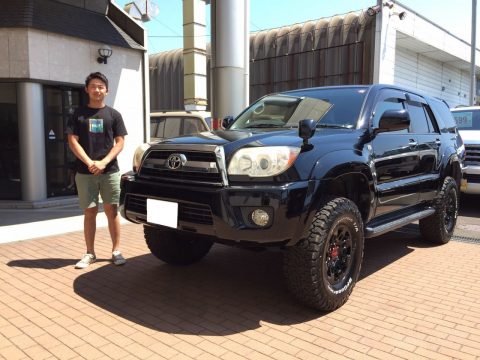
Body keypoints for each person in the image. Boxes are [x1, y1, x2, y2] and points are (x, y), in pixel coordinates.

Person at [66, 72, 128, 269]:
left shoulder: (114, 115)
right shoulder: (77, 114)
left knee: (112, 210)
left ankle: (116, 250)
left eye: (101, 86)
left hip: (109, 171)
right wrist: (89, 162)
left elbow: (120, 142)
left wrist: (103, 162)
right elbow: (72, 141)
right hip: (84, 172)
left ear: (106, 90)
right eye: (93, 86)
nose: (97, 90)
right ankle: (89, 253)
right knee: (89, 212)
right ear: (87, 89)